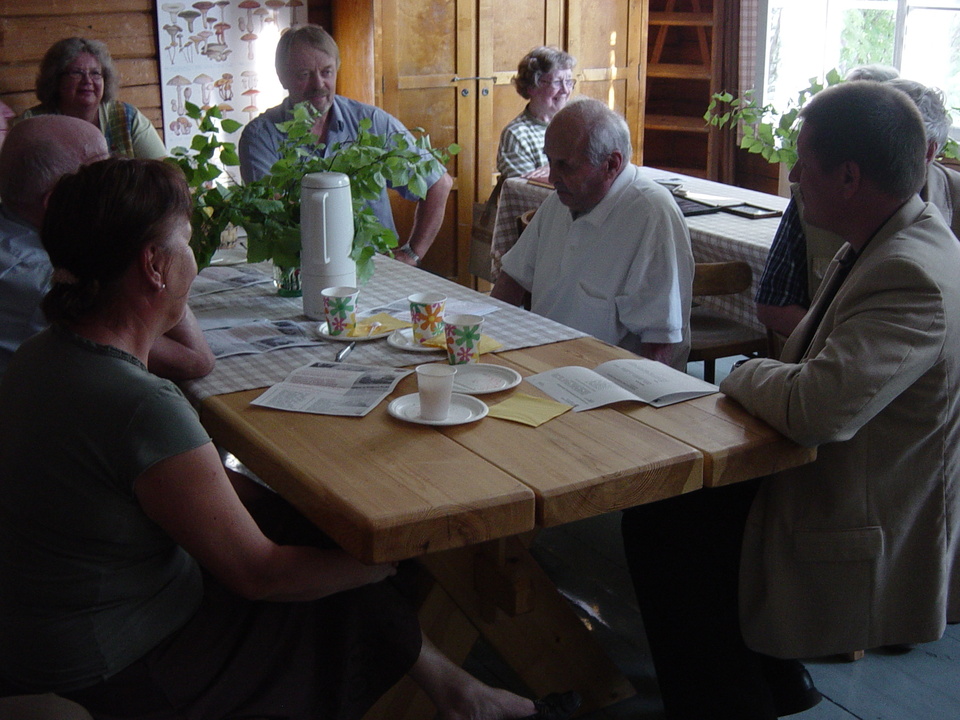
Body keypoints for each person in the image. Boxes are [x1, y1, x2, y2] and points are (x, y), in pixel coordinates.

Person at [0, 157, 580, 720]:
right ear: (153, 265)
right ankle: (466, 697)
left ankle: (464, 696)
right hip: (128, 666)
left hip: (44, 635)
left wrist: (307, 522)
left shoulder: (41, 356)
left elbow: (165, 483)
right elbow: (262, 576)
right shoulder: (141, 405)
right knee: (342, 591)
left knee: (305, 535)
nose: (195, 263)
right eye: (187, 245)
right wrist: (384, 560)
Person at [623, 81, 960, 719]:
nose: (795, 177)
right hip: (825, 472)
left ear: (850, 178)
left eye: (804, 163)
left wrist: (742, 371)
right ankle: (774, 681)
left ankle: (727, 703)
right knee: (672, 507)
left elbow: (813, 408)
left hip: (849, 505)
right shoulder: (893, 239)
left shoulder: (909, 272)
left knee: (666, 526)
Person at [0, 115, 212, 380]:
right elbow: (193, 360)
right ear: (55, 201)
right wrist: (151, 235)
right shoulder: (50, 279)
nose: (117, 176)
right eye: (101, 169)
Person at [491, 98, 694, 370]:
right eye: (550, 162)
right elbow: (512, 279)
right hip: (546, 360)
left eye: (566, 165)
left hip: (611, 376)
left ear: (611, 164)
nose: (552, 178)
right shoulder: (563, 200)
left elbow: (660, 342)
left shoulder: (651, 213)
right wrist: (484, 344)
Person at [755, 75, 960, 338]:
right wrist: (831, 346)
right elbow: (774, 303)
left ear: (928, 151)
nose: (794, 176)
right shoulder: (815, 197)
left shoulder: (917, 265)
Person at [239, 24, 453, 268]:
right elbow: (273, 213)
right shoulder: (260, 137)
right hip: (300, 269)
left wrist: (412, 253)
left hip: (374, 267)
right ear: (282, 77)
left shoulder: (371, 122)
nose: (318, 84)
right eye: (304, 74)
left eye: (327, 72)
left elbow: (439, 183)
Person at [20, 37, 167, 160]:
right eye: (76, 73)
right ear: (56, 79)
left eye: (95, 73)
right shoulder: (33, 124)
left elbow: (163, 173)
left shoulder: (127, 117)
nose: (87, 81)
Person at [497, 46, 576, 181]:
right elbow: (527, 189)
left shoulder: (577, 124)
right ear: (532, 87)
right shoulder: (517, 135)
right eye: (557, 82)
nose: (565, 90)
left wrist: (554, 169)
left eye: (568, 81)